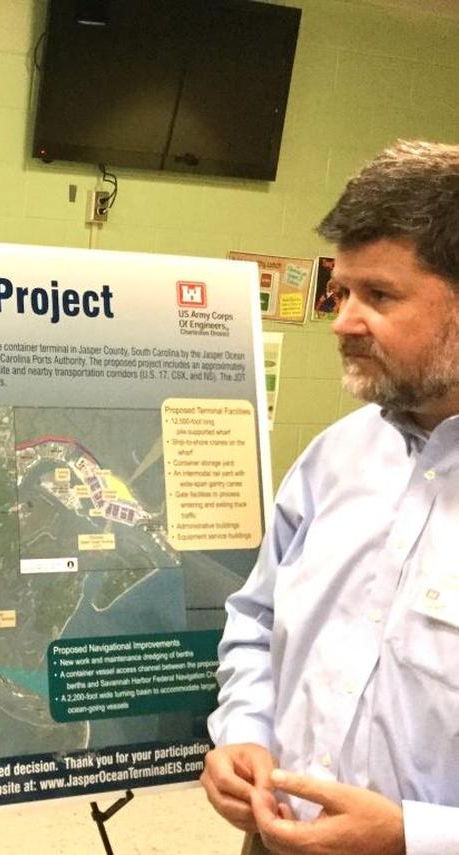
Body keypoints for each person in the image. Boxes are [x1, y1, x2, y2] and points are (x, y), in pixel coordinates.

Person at [202, 139, 459, 855]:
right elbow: (255, 618)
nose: (342, 320)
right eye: (340, 291)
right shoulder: (336, 456)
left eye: (379, 295)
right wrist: (245, 732)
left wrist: (417, 835)